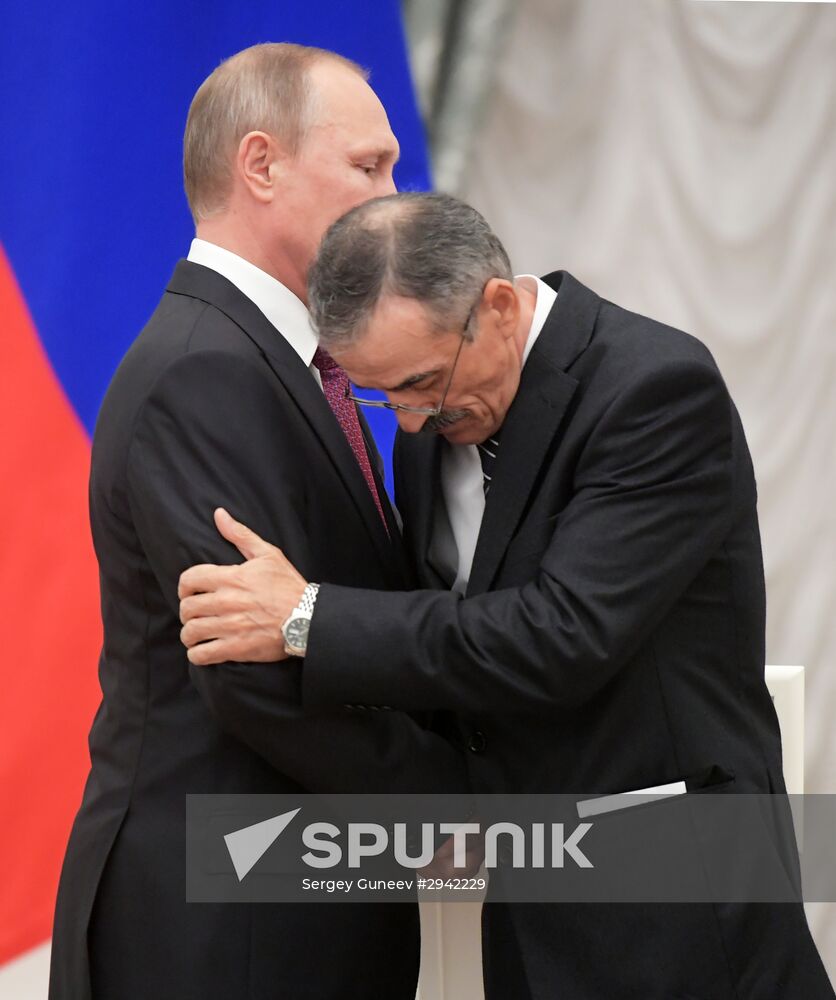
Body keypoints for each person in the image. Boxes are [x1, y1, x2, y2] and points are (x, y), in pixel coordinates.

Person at [179, 192, 835, 998]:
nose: (412, 423)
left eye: (421, 383)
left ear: (496, 304)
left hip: (678, 898)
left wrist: (308, 616)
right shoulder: (436, 428)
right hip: (529, 899)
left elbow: (561, 637)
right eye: (388, 398)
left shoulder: (654, 389)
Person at [49, 48, 470, 1000]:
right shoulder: (206, 368)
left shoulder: (275, 359)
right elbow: (259, 681)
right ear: (260, 165)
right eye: (368, 167)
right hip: (222, 933)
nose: (393, 195)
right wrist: (466, 799)